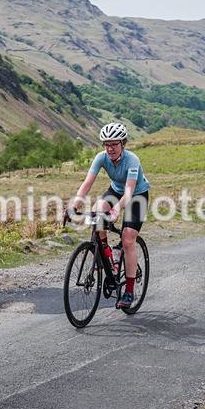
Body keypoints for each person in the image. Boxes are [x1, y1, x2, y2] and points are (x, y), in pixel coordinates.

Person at [69, 122, 151, 309]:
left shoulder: (132, 160)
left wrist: (116, 210)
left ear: (124, 143)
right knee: (97, 212)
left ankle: (129, 291)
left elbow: (129, 192)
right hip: (115, 191)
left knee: (128, 238)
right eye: (107, 144)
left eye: (114, 144)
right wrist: (73, 206)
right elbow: (87, 183)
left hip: (137, 194)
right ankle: (108, 255)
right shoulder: (101, 157)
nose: (110, 148)